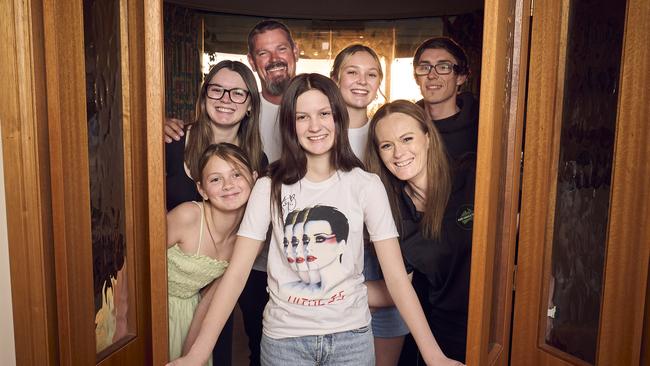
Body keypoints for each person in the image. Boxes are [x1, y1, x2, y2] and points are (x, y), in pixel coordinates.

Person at [166, 74, 463, 366]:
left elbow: (397, 280)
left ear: (337, 117)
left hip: (352, 340)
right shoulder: (268, 186)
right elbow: (236, 275)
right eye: (302, 117)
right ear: (290, 125)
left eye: (324, 113)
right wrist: (195, 355)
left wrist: (434, 356)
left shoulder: (366, 185)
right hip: (284, 343)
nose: (315, 126)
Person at [165, 60, 265, 365]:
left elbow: (242, 243)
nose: (225, 99)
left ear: (250, 104)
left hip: (214, 285)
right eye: (217, 89)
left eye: (237, 93)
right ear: (204, 95)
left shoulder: (258, 160)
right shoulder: (171, 140)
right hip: (164, 281)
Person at [366, 100, 474, 363]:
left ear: (427, 137)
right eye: (387, 145)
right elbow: (401, 284)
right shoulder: (392, 212)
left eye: (406, 139)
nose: (398, 153)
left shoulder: (471, 176)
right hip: (445, 332)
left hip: (498, 322)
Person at [330, 44, 409, 366]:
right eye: (352, 72)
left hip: (382, 254)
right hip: (334, 256)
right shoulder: (319, 131)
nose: (362, 80)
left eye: (371, 74)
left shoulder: (387, 129)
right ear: (334, 79)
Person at [167, 143, 258, 365]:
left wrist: (190, 356)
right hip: (150, 309)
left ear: (254, 178)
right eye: (216, 179)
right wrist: (123, 324)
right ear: (202, 190)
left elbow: (209, 300)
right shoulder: (187, 216)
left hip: (188, 315)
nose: (228, 185)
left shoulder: (247, 239)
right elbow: (133, 265)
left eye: (236, 174)